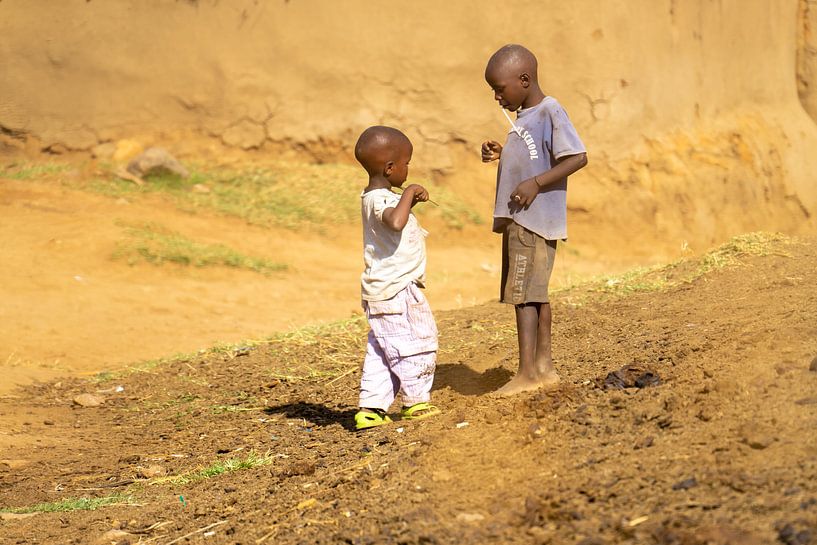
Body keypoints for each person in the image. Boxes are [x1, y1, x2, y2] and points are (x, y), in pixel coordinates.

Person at [481, 44, 588, 396]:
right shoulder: (525, 117)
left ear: (524, 80)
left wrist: (536, 183)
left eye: (500, 88)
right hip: (524, 220)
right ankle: (544, 368)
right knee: (536, 296)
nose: (497, 97)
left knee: (524, 297)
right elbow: (532, 156)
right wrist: (502, 152)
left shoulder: (549, 110)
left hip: (532, 221)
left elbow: (576, 157)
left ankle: (527, 372)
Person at [353, 125, 441, 430]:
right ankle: (416, 400)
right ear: (390, 168)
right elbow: (395, 221)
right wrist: (409, 192)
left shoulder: (377, 197)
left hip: (382, 291)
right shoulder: (381, 200)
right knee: (417, 339)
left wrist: (405, 198)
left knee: (381, 350)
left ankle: (371, 408)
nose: (408, 168)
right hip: (396, 290)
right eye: (406, 163)